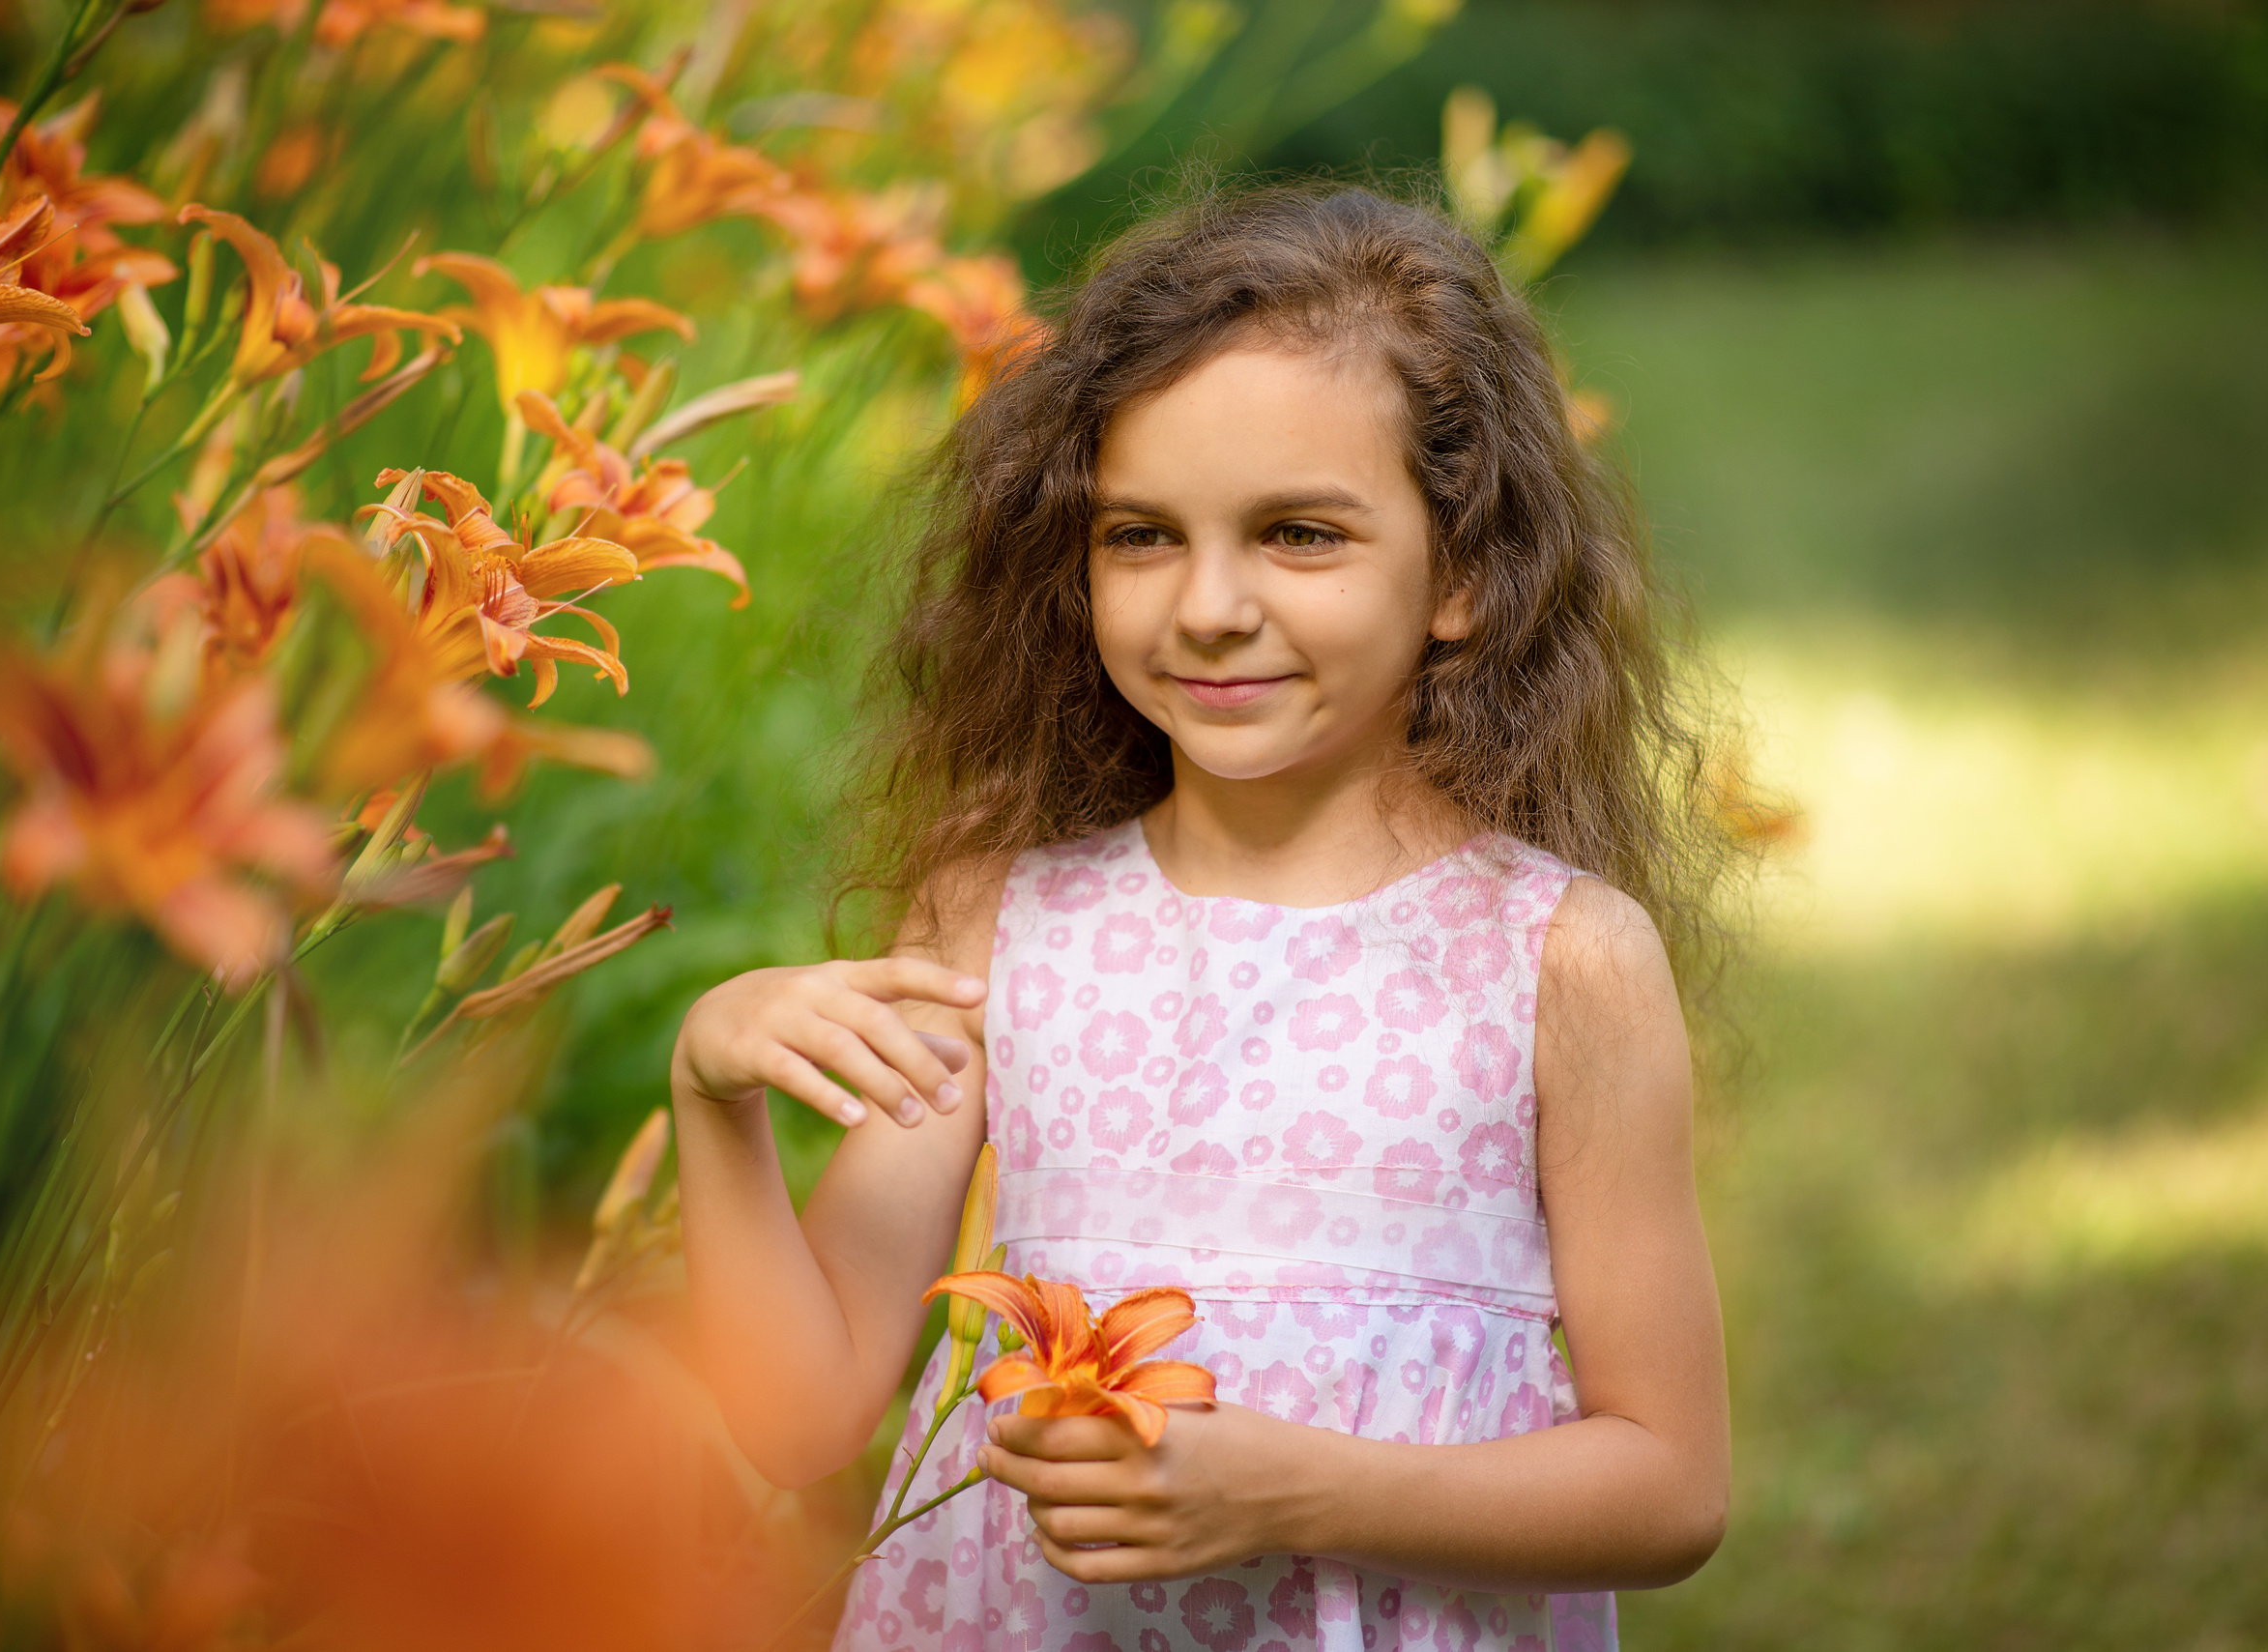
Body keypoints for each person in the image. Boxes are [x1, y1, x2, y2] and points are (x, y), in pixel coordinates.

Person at [672, 183, 1732, 1652]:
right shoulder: (1001, 915)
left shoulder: (1557, 956)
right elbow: (797, 1418)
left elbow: (1669, 1483)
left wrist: (1299, 1490)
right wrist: (707, 1094)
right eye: (1142, 536)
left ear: (1467, 573)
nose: (1209, 606)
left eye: (1299, 534)